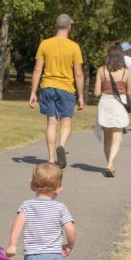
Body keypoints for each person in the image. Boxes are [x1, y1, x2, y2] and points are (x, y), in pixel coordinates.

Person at [29, 14, 85, 168]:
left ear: (56, 26)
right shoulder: (74, 47)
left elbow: (37, 69)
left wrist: (33, 92)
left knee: (51, 123)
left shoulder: (45, 44)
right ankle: (62, 145)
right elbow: (78, 73)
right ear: (69, 27)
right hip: (66, 88)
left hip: (47, 86)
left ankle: (52, 158)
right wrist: (80, 96)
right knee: (66, 122)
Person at [93, 43, 131, 176]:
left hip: (105, 102)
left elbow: (96, 93)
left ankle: (109, 164)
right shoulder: (127, 72)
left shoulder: (101, 70)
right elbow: (129, 93)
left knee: (107, 137)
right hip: (119, 102)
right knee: (117, 135)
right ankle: (110, 163)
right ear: (122, 56)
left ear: (108, 56)